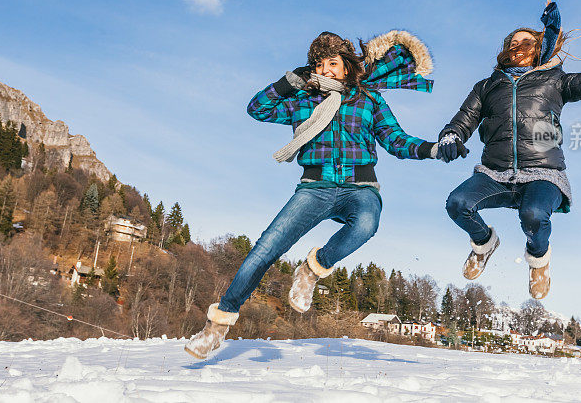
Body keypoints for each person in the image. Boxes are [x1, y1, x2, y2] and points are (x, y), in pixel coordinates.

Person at [185, 30, 438, 359]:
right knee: (264, 250)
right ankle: (216, 327)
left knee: (365, 224)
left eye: (332, 63)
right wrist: (288, 82)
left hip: (359, 187)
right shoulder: (301, 99)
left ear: (346, 66)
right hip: (314, 187)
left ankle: (314, 267)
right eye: (319, 65)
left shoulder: (368, 99)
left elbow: (396, 140)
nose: (326, 70)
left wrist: (431, 149)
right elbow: (257, 109)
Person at [437, 0, 581, 299]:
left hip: (544, 172)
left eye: (526, 41)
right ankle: (484, 244)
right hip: (495, 173)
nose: (518, 46)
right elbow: (463, 120)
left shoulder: (556, 81)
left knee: (533, 214)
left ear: (539, 47)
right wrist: (451, 136)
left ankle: (538, 261)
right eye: (512, 42)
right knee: (457, 203)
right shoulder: (486, 86)